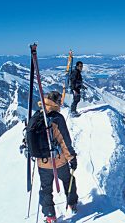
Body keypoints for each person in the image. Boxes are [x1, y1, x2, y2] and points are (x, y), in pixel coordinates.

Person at [37, 91, 78, 223]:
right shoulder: (57, 118)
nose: (61, 103)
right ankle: (72, 204)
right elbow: (65, 141)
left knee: (46, 189)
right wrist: (72, 158)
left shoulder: (37, 115)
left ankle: (50, 215)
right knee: (68, 180)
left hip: (42, 162)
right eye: (59, 101)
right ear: (55, 102)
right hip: (59, 161)